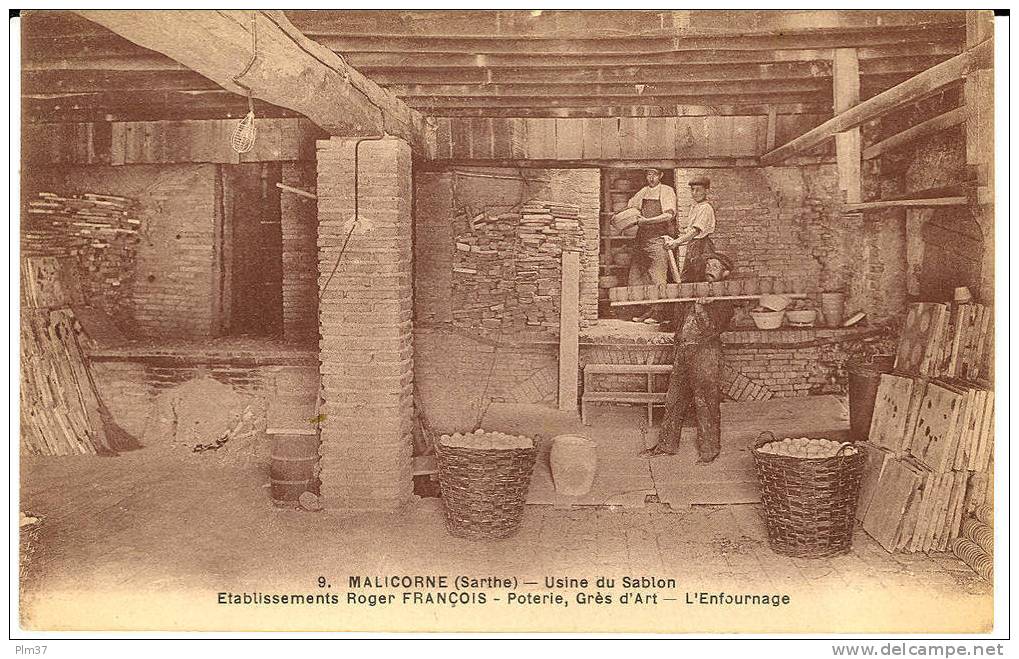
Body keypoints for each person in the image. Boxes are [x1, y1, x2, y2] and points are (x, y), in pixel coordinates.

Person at [642, 246, 735, 464]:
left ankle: (709, 451)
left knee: (706, 402)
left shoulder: (725, 300)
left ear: (725, 274)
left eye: (716, 266)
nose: (709, 269)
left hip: (706, 354)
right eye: (708, 265)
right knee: (674, 400)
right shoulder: (695, 291)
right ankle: (666, 445)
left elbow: (713, 329)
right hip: (684, 351)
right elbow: (679, 321)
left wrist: (703, 308)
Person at [612, 168, 677, 324]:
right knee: (639, 277)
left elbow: (669, 214)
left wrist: (647, 221)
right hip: (642, 239)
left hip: (658, 239)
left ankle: (659, 313)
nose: (651, 178)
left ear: (660, 175)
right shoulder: (643, 191)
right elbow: (631, 207)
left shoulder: (667, 191)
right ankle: (647, 311)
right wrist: (622, 215)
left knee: (658, 277)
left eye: (654, 174)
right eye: (649, 174)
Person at [663, 176, 716, 280]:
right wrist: (673, 238)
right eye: (692, 190)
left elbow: (695, 231)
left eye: (698, 190)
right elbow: (689, 230)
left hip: (702, 247)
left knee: (698, 277)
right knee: (689, 277)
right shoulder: (695, 207)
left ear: (706, 191)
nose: (694, 193)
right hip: (693, 246)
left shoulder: (705, 208)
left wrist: (676, 242)